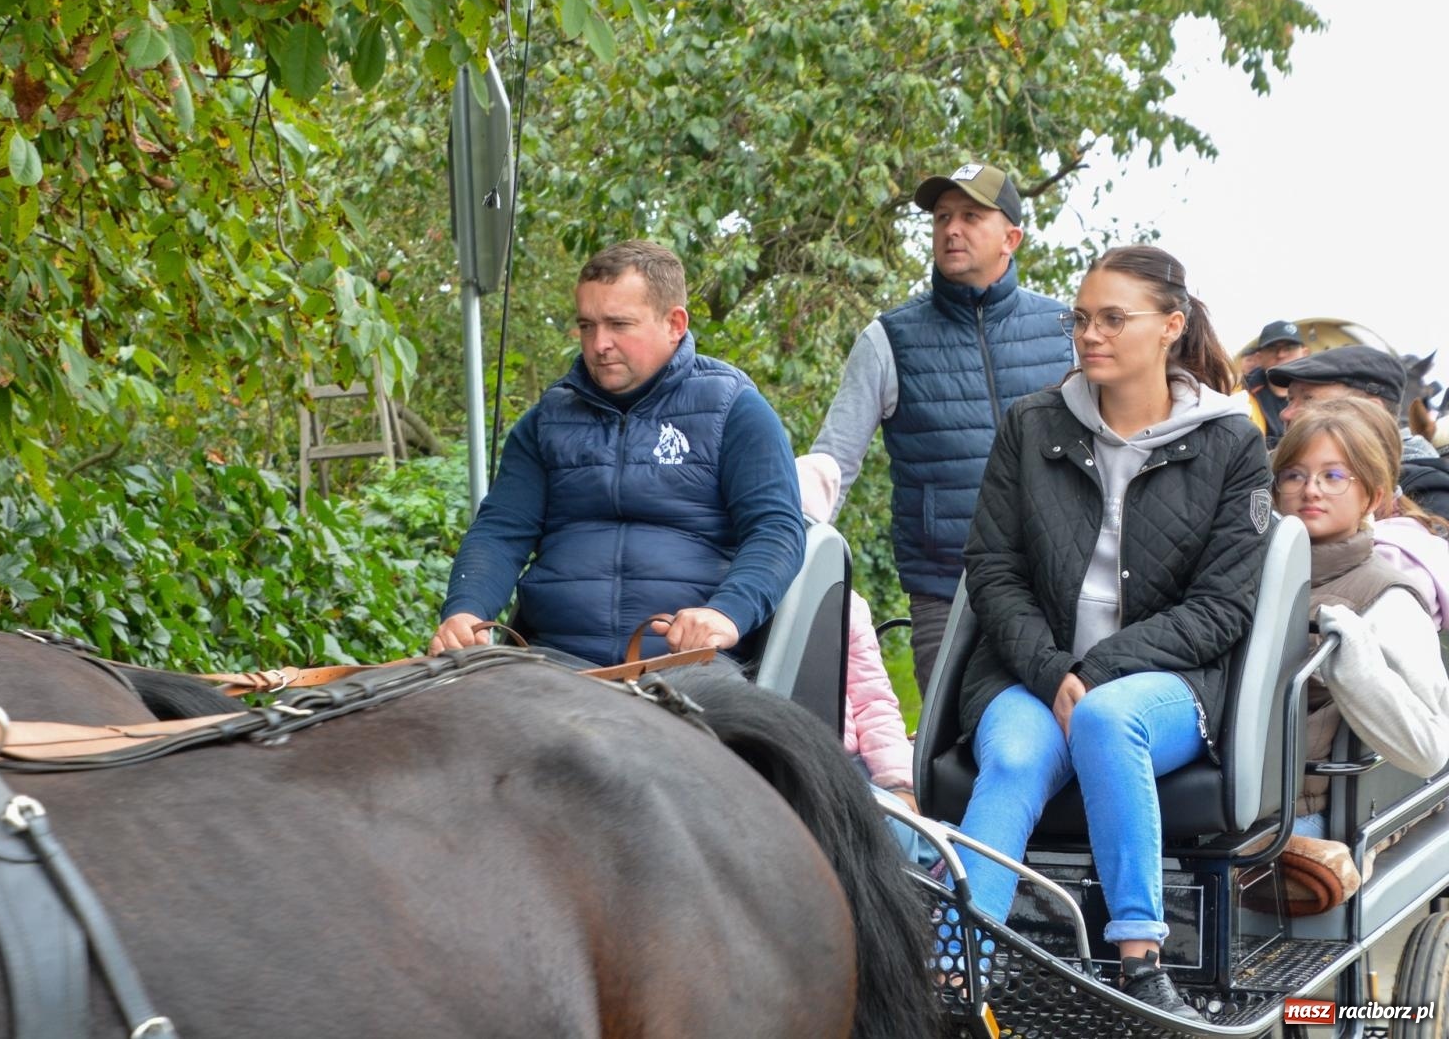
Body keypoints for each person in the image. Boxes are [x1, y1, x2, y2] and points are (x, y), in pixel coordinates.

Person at [954, 245, 1270, 1018]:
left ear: (1170, 326)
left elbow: (1222, 608)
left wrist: (1095, 672)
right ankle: (956, 974)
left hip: (1164, 683)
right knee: (1015, 758)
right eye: (1081, 318)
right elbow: (993, 572)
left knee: (1104, 718)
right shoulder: (1032, 425)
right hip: (1029, 672)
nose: (1089, 335)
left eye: (1112, 319)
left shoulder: (1231, 442)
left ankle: (1139, 962)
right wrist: (1052, 669)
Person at [430, 240, 806, 665]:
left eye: (619, 324)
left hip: (690, 664)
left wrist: (726, 613)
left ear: (674, 323)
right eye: (587, 326)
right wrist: (466, 610)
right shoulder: (546, 421)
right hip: (552, 661)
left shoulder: (736, 410)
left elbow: (776, 530)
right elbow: (501, 530)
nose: (598, 344)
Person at [810, 162, 1071, 696]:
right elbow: (831, 467)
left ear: (1012, 238)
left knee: (1068, 729)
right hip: (946, 592)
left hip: (1062, 587)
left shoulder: (1068, 332)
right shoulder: (889, 339)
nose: (952, 229)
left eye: (971, 216)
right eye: (942, 217)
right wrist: (788, 559)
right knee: (949, 741)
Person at [1271, 398, 1449, 838]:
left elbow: (1429, 750)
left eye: (1333, 476)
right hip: (1214, 812)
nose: (1311, 490)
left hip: (1295, 819)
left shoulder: (1388, 598)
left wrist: (1353, 666)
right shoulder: (1243, 575)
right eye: (1294, 475)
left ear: (1373, 495)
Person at [794, 454, 931, 863]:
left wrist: (900, 784)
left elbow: (874, 703)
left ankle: (933, 875)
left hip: (850, 759)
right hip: (796, 755)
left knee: (904, 831)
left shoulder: (846, 606)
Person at [1269, 345, 1449, 519]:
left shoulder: (1431, 496)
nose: (1285, 414)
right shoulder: (1273, 474)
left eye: (1308, 399)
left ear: (1370, 411)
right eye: (1290, 399)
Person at [1241, 319, 1308, 447]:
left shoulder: (1323, 390)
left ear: (1305, 353)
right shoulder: (1241, 394)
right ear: (1259, 358)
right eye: (1272, 348)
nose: (1281, 354)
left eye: (1289, 348)